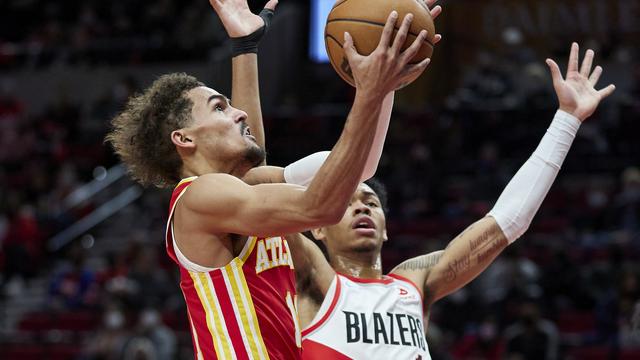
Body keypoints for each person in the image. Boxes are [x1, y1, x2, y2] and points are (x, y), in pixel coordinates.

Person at [105, 0, 432, 359]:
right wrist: (369, 92)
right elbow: (320, 205)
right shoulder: (199, 197)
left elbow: (360, 166)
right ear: (184, 138)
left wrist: (384, 86)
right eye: (219, 107)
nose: (238, 112)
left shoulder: (244, 187)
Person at [289, 43, 616, 359]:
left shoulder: (412, 282)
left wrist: (567, 120)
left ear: (386, 229)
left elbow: (506, 221)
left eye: (372, 203)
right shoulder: (312, 277)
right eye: (347, 203)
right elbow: (254, 186)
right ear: (316, 228)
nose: (362, 207)